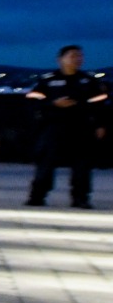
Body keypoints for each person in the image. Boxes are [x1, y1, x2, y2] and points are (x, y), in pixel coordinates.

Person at [24, 45, 108, 208]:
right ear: (60, 59)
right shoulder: (48, 80)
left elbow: (100, 105)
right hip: (54, 126)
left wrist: (100, 125)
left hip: (81, 127)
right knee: (46, 163)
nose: (78, 59)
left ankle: (80, 198)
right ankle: (37, 196)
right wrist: (53, 104)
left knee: (82, 165)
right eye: (73, 56)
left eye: (80, 56)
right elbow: (33, 100)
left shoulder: (88, 81)